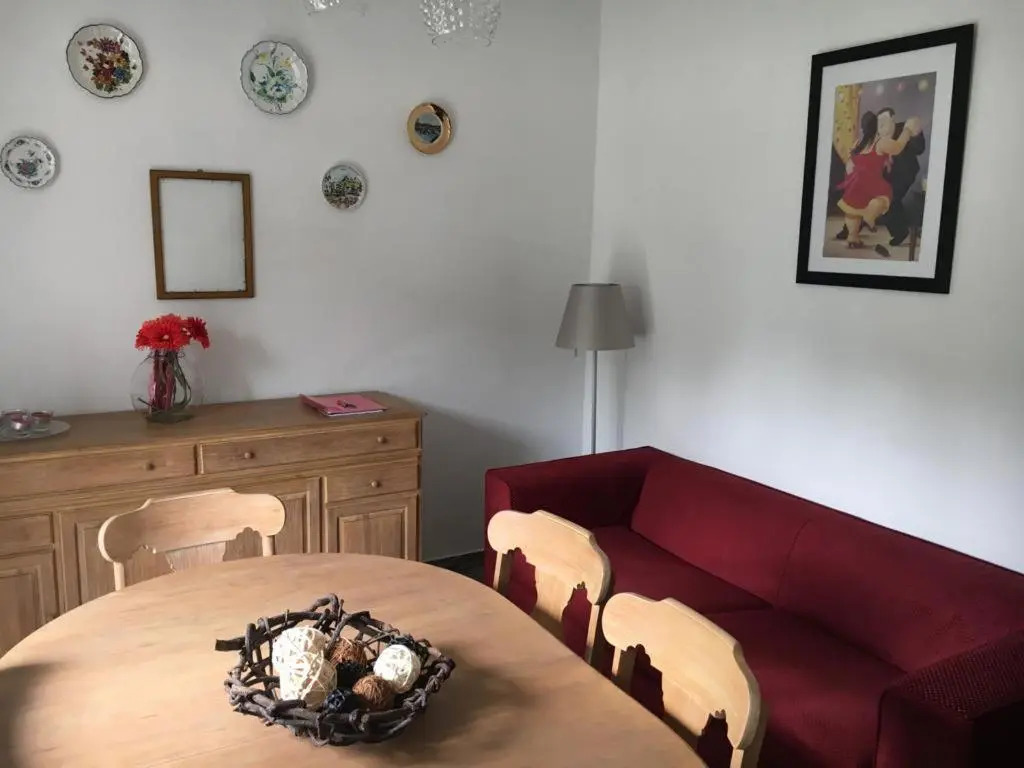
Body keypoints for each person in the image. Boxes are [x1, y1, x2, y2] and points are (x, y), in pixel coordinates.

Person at [836, 107, 926, 247]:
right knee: (860, 196)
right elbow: (859, 154)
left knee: (890, 200)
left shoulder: (903, 128)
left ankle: (899, 231)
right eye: (879, 123)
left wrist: (914, 132)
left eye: (884, 122)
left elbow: (918, 148)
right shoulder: (873, 136)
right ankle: (852, 230)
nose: (881, 126)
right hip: (877, 175)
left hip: (902, 173)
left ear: (893, 120)